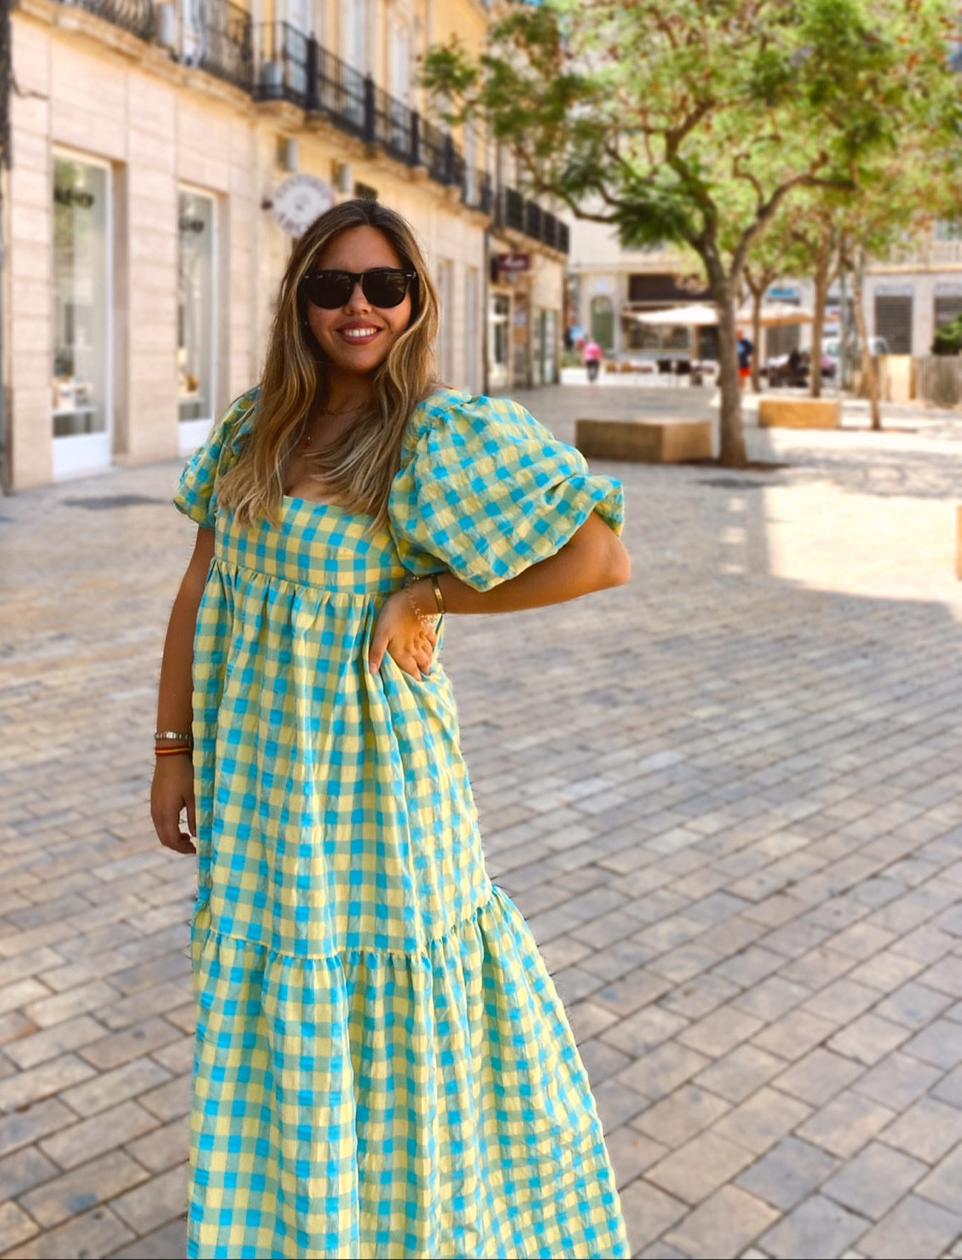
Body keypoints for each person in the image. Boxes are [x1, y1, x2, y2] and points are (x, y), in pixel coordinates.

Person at [153, 199, 631, 1260]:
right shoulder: (254, 428)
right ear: (299, 301)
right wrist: (171, 752)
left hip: (385, 803)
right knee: (286, 1018)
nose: (357, 307)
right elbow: (196, 591)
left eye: (384, 285)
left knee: (393, 1023)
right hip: (262, 794)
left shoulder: (435, 435)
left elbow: (601, 555)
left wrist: (430, 595)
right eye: (332, 286)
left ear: (416, 300)